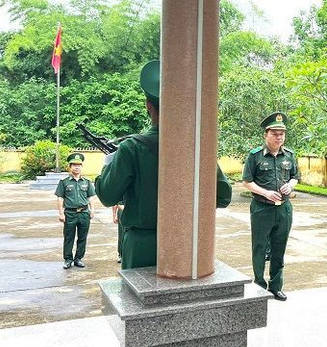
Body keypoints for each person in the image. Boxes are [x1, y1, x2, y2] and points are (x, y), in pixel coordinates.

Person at [95, 60, 232, 269]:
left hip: (142, 246)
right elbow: (223, 196)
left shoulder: (131, 148)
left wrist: (107, 165)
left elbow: (107, 196)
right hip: (188, 242)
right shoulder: (197, 147)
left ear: (148, 105)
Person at [242, 112, 301, 301]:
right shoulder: (255, 156)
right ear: (265, 135)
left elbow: (295, 176)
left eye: (282, 134)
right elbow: (247, 182)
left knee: (279, 247)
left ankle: (276, 286)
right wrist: (265, 192)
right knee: (259, 247)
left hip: (284, 209)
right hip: (262, 208)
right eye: (275, 133)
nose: (279, 137)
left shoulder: (290, 155)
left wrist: (291, 184)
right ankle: (259, 285)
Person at [55, 152, 97, 269]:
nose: (77, 167)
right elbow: (60, 198)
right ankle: (68, 259)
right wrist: (61, 213)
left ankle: (78, 258)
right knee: (69, 237)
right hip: (70, 213)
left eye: (79, 165)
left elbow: (91, 197)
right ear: (70, 167)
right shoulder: (64, 182)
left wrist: (92, 210)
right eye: (74, 165)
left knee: (83, 237)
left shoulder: (87, 182)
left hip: (84, 213)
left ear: (81, 167)